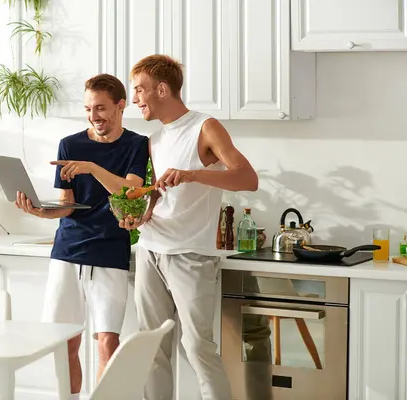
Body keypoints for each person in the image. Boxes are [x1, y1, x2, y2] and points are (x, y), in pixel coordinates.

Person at [121, 54, 259, 400]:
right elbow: (161, 197)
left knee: (198, 347)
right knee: (151, 347)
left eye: (139, 90)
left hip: (191, 254)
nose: (135, 98)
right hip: (151, 248)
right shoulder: (155, 139)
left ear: (162, 89)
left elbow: (249, 178)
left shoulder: (205, 127)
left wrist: (196, 173)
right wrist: (141, 215)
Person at [14, 73, 149, 400]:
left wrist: (91, 167)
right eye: (88, 109)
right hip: (68, 251)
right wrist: (41, 212)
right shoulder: (70, 145)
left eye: (101, 108)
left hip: (109, 253)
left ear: (121, 106)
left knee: (108, 341)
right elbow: (67, 206)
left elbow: (130, 190)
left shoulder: (136, 144)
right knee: (65, 340)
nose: (94, 116)